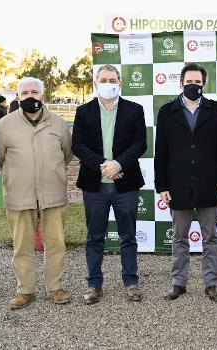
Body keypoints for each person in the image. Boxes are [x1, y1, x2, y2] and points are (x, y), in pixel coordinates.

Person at [0, 77, 74, 309]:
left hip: (53, 195)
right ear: (18, 97)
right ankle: (25, 290)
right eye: (25, 92)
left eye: (34, 92)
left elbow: (66, 154)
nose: (30, 96)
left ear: (42, 95)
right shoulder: (5, 125)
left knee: (56, 244)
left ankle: (55, 288)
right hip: (19, 196)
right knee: (22, 246)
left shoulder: (58, 123)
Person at [154, 63, 217, 302]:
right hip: (178, 186)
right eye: (189, 82)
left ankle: (211, 284)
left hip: (209, 184)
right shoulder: (167, 111)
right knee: (179, 239)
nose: (193, 86)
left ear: (203, 84)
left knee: (210, 238)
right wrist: (162, 186)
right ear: (181, 83)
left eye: (197, 83)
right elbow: (161, 153)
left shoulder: (215, 110)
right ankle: (179, 282)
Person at [72, 65, 147, 304]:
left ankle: (131, 281)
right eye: (103, 79)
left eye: (112, 79)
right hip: (95, 186)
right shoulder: (83, 111)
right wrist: (104, 165)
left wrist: (119, 164)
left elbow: (140, 144)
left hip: (126, 184)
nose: (108, 83)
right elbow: (78, 145)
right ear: (96, 83)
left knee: (128, 236)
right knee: (95, 237)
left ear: (120, 82)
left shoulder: (135, 110)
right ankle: (94, 284)